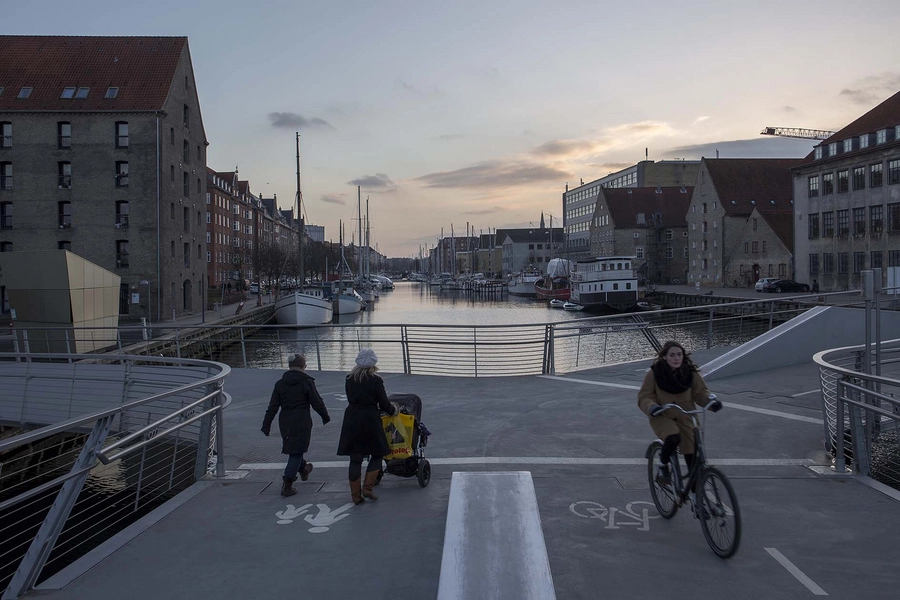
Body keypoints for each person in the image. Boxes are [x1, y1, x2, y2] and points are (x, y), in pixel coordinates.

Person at [637, 341, 722, 485]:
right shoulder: (655, 373)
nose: (676, 358)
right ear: (664, 357)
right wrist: (652, 407)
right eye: (672, 355)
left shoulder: (690, 372)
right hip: (662, 415)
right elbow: (645, 396)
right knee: (672, 436)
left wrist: (711, 403)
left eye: (679, 355)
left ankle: (697, 498)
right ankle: (663, 465)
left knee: (693, 456)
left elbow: (700, 392)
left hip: (686, 416)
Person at [261, 353, 330, 497]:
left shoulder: (280, 383)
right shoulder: (306, 382)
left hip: (284, 420)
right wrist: (325, 416)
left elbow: (273, 406)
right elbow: (316, 401)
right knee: (296, 451)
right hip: (302, 419)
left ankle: (304, 468)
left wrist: (266, 424)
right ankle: (287, 483)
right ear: (303, 366)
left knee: (294, 446)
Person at [337, 348, 398, 504]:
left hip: (351, 417)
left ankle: (355, 495)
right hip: (370, 418)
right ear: (374, 364)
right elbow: (384, 403)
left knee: (355, 458)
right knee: (378, 453)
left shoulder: (349, 378)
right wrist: (393, 410)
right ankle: (368, 488)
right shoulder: (375, 380)